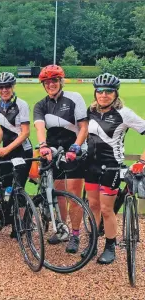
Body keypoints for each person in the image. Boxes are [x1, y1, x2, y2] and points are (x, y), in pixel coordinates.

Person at [83, 73, 145, 264]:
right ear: (95, 93)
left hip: (111, 166)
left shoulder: (124, 113)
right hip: (90, 165)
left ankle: (110, 246)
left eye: (109, 91)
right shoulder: (90, 111)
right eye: (100, 91)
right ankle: (93, 242)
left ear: (116, 93)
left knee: (106, 209)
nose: (103, 95)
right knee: (92, 205)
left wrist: (142, 161)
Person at [33, 65, 88, 253]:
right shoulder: (41, 105)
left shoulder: (74, 98)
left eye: (54, 81)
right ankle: (62, 228)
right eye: (47, 82)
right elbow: (40, 128)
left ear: (61, 82)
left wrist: (76, 147)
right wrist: (43, 145)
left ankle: (75, 234)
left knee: (73, 194)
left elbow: (83, 127)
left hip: (74, 149)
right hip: (53, 150)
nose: (51, 85)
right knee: (58, 193)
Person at [0, 72, 33, 239]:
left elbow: (25, 132)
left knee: (18, 188)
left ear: (13, 87)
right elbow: (2, 127)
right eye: (1, 87)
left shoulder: (21, 104)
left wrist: (7, 149)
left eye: (7, 86)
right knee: (4, 184)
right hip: (6, 150)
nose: (4, 90)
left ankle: (19, 222)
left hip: (22, 151)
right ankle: (5, 214)